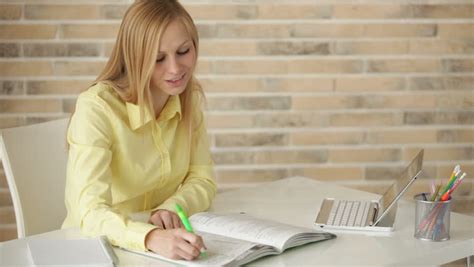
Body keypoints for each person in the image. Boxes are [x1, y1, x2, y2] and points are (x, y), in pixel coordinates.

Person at [62, 0, 217, 261]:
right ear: (135, 59)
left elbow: (202, 178)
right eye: (158, 59)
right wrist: (150, 237)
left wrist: (172, 208)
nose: (175, 69)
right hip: (96, 249)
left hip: (161, 250)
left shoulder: (188, 97)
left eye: (183, 51)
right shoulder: (97, 108)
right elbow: (89, 212)